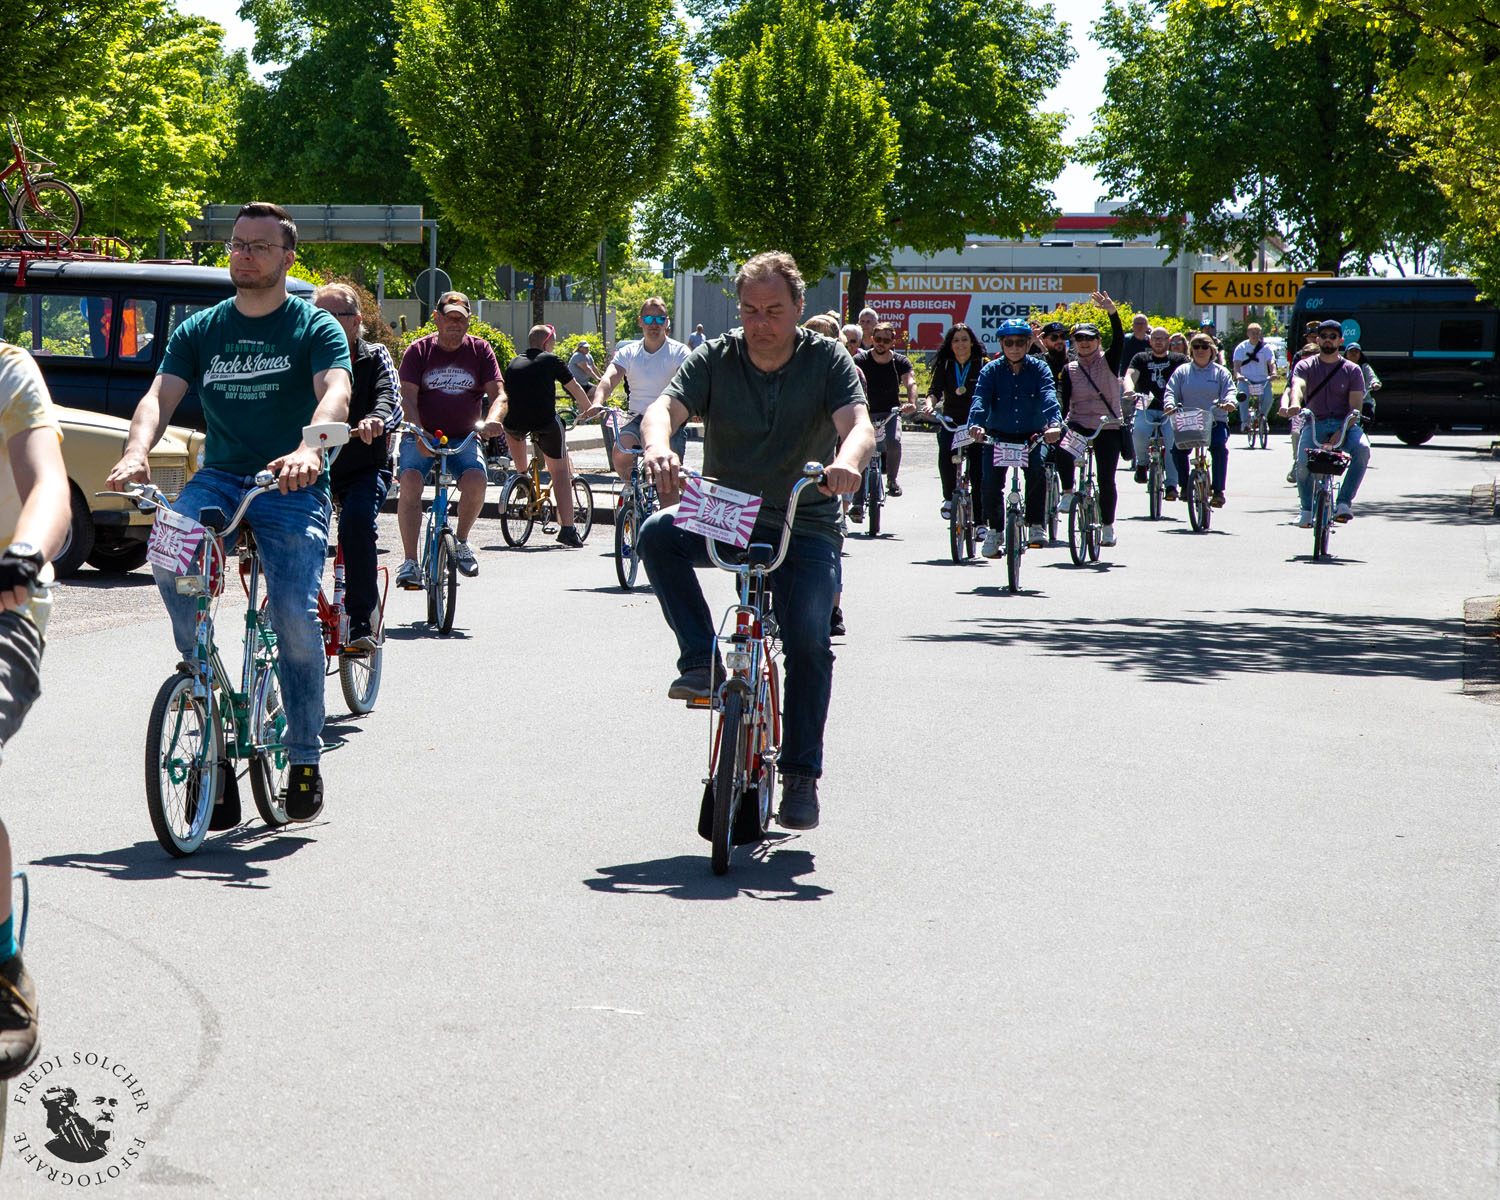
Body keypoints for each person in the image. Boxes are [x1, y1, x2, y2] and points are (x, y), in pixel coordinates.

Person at [108, 200, 352, 823]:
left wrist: (307, 449)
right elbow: (157, 399)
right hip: (219, 478)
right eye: (238, 244)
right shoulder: (202, 329)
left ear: (287, 256)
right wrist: (137, 453)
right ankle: (205, 697)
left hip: (290, 482)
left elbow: (336, 394)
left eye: (260, 246)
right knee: (168, 553)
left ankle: (303, 753)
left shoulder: (313, 327)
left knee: (296, 616)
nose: (244, 254)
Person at [636, 251, 873, 831]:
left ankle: (799, 775)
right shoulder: (716, 356)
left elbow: (859, 425)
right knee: (656, 535)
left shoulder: (828, 359)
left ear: (798, 307)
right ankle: (701, 661)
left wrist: (846, 463)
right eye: (749, 310)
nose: (760, 323)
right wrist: (658, 446)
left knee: (810, 643)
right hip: (729, 509)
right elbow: (662, 409)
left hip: (805, 517)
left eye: (773, 310)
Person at [0, 339, 70, 1079]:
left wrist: (25, 552)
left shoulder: (7, 369)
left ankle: (0, 963)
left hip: (3, 603)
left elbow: (47, 483)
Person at [312, 283, 402, 649]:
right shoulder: (303, 356)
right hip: (314, 465)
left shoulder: (375, 355)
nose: (329, 323)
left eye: (338, 315)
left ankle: (363, 619)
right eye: (321, 316)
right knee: (288, 530)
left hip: (365, 465)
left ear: (357, 322)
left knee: (356, 522)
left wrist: (377, 419)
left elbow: (390, 397)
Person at [395, 291, 504, 584]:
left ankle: (463, 541)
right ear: (437, 318)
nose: (455, 323)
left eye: (461, 318)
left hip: (463, 437)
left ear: (469, 321)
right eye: (449, 317)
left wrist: (493, 419)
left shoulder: (480, 350)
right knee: (410, 482)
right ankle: (409, 562)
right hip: (422, 432)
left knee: (477, 480)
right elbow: (407, 398)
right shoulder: (418, 351)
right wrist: (418, 432)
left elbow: (499, 395)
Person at [967, 317, 1062, 555]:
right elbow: (980, 398)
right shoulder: (990, 369)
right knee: (989, 482)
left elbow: (1049, 395)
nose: (1015, 347)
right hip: (998, 434)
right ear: (1001, 344)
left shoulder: (1040, 368)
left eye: (1021, 341)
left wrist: (1053, 424)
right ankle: (995, 531)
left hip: (1032, 434)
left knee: (1037, 471)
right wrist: (975, 424)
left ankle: (1036, 525)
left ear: (1030, 342)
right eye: (1009, 342)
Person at [502, 325, 591, 546]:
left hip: (513, 423)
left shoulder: (513, 362)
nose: (554, 345)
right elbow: (575, 388)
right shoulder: (552, 360)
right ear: (546, 343)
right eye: (553, 341)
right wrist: (589, 409)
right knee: (560, 472)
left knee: (514, 431)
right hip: (545, 423)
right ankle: (568, 530)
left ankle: (523, 480)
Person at [592, 297, 690, 490]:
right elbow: (610, 377)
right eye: (649, 319)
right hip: (637, 418)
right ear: (640, 321)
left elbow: (687, 383)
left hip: (670, 422)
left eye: (660, 319)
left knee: (669, 480)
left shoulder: (680, 352)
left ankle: (670, 512)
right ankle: (634, 491)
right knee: (620, 452)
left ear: (667, 322)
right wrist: (598, 401)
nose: (654, 324)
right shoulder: (628, 352)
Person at [1055, 294, 1127, 547]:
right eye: (1079, 338)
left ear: (1098, 341)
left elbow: (1119, 338)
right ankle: (1067, 492)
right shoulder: (1069, 368)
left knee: (1107, 479)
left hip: (1107, 425)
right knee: (1062, 447)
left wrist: (1112, 312)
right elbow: (1063, 399)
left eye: (1089, 338)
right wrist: (1056, 422)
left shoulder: (1109, 360)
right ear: (1073, 342)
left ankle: (1108, 527)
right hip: (1078, 422)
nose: (1084, 343)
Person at [1289, 319, 1369, 525]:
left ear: (1340, 340)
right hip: (1315, 423)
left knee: (1362, 449)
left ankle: (1343, 503)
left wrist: (1341, 431)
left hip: (1346, 425)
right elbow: (1298, 385)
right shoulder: (1305, 365)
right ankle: (1306, 510)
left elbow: (1355, 410)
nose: (1328, 340)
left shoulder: (1352, 370)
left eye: (1333, 336)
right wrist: (1294, 403)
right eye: (1323, 336)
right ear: (1318, 339)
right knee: (1302, 464)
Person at [922, 323, 988, 533]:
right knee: (945, 454)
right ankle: (949, 497)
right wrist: (930, 405)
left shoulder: (983, 364)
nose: (960, 344)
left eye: (964, 340)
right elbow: (934, 391)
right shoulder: (946, 365)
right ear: (950, 344)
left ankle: (980, 523)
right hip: (951, 422)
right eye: (956, 340)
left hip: (976, 423)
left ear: (972, 342)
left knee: (978, 473)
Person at [851, 321, 917, 512]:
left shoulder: (900, 361)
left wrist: (911, 402)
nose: (881, 343)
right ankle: (857, 500)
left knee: (893, 441)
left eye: (886, 340)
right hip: (865, 412)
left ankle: (892, 481)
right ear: (871, 339)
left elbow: (911, 382)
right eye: (878, 339)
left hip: (890, 412)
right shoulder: (860, 360)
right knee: (862, 449)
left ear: (892, 342)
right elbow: (850, 379)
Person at [1163, 333, 1236, 507]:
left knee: (1218, 447)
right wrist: (1169, 404)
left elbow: (1230, 391)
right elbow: (1171, 390)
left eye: (1205, 347)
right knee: (1177, 450)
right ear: (1191, 350)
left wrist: (1230, 402)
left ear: (1212, 350)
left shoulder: (1220, 372)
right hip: (1189, 420)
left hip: (1214, 420)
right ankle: (1185, 486)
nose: (1200, 350)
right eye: (1196, 347)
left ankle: (1218, 491)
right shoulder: (1182, 371)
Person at [1125, 326, 1188, 499]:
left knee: (1172, 442)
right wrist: (1129, 389)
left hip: (1171, 409)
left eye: (1162, 338)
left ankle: (1171, 485)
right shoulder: (1140, 358)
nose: (1158, 341)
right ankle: (1141, 464)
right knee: (1138, 432)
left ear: (1168, 341)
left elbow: (1188, 377)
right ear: (1149, 340)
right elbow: (1130, 376)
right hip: (1146, 407)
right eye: (1155, 338)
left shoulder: (1179, 359)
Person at [1114, 312, 1152, 463]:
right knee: (1125, 415)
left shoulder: (1151, 341)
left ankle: (1144, 452)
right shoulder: (1126, 340)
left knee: (1144, 416)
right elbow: (1117, 358)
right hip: (1126, 381)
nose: (1139, 326)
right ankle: (1128, 448)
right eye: (1137, 323)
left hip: (1146, 383)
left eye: (1142, 323)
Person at [1232, 322, 1279, 430]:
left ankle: (1262, 419)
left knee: (1268, 398)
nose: (1255, 335)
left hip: (1262, 380)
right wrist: (1238, 375)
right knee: (1243, 398)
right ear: (1248, 333)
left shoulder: (1265, 347)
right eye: (1253, 333)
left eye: (1257, 333)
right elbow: (1236, 365)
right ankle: (1244, 423)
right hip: (1246, 380)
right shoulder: (1241, 347)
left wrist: (1273, 373)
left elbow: (1271, 362)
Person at [1344, 341, 1381, 419]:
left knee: (1369, 414)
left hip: (1363, 400)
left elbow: (1371, 376)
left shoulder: (1364, 367)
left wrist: (1375, 383)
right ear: (1346, 354)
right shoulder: (1341, 367)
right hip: (1345, 401)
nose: (1353, 353)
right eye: (1351, 351)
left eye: (1356, 352)